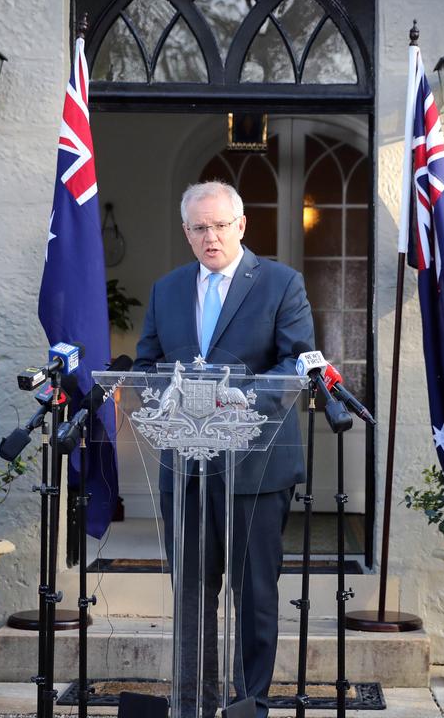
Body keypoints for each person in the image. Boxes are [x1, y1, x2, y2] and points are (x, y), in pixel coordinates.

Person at [133, 180, 314, 718]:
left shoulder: (281, 283)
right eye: (198, 227)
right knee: (191, 593)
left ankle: (250, 702)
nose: (210, 237)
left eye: (219, 225)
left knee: (254, 592)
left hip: (257, 466)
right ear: (186, 232)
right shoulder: (167, 290)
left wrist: (239, 398)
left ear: (241, 226)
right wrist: (165, 395)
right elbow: (145, 366)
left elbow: (296, 364)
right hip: (184, 467)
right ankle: (193, 699)